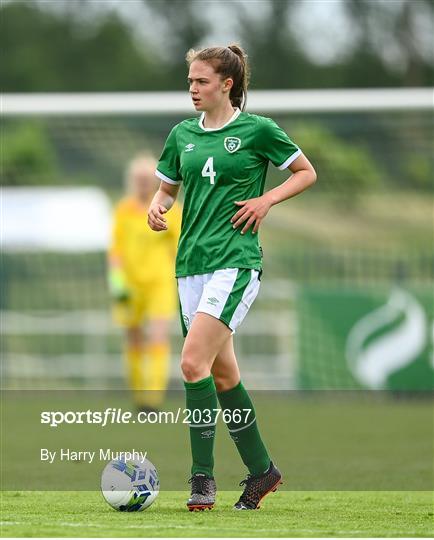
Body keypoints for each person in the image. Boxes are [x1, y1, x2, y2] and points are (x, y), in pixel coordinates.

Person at [148, 44, 317, 511]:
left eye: (201, 81)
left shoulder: (257, 129)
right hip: (190, 267)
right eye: (189, 82)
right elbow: (168, 188)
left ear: (227, 84)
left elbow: (305, 172)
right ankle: (262, 472)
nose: (193, 90)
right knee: (222, 375)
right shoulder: (182, 133)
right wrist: (157, 206)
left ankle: (202, 479)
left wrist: (266, 201)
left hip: (235, 261)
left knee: (190, 365)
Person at [108, 154, 182, 411]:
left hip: (160, 283)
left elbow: (180, 246)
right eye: (138, 179)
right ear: (131, 181)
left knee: (159, 336)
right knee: (134, 338)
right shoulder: (123, 210)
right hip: (130, 285)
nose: (142, 183)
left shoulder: (170, 210)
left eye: (147, 179)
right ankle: (139, 396)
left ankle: (154, 399)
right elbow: (115, 251)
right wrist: (117, 284)